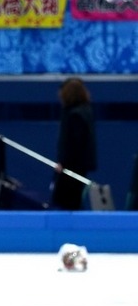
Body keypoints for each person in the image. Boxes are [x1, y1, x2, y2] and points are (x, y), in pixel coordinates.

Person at [51, 77, 97, 210]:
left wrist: (63, 163)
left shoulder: (75, 115)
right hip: (78, 165)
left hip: (72, 167)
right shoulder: (85, 111)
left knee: (66, 200)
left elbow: (74, 145)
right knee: (73, 199)